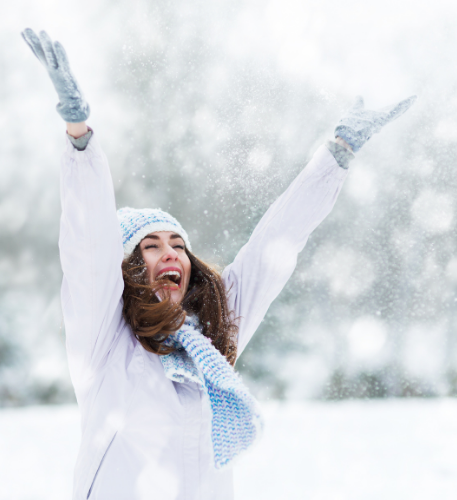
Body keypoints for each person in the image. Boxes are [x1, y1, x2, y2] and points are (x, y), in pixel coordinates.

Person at [21, 28, 416, 500]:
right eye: (150, 246)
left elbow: (275, 245)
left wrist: (337, 155)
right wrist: (80, 138)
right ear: (125, 268)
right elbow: (87, 250)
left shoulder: (213, 339)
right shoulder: (104, 343)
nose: (170, 252)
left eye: (177, 244)